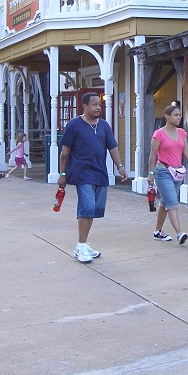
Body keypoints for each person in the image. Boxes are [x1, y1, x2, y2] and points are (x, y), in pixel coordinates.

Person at [57, 92, 128, 263]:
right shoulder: (74, 125)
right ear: (85, 106)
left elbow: (113, 148)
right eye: (94, 104)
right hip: (82, 173)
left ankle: (83, 244)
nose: (98, 107)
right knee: (87, 207)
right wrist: (62, 174)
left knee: (95, 210)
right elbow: (64, 153)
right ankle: (81, 246)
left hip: (100, 173)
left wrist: (120, 167)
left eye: (99, 105)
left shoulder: (104, 126)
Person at [147, 104, 188, 244]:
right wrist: (150, 173)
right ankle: (179, 233)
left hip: (177, 173)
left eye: (179, 115)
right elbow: (153, 155)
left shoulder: (182, 133)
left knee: (165, 203)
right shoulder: (158, 134)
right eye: (175, 115)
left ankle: (157, 231)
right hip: (163, 171)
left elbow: (186, 151)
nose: (178, 117)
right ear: (167, 116)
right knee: (172, 203)